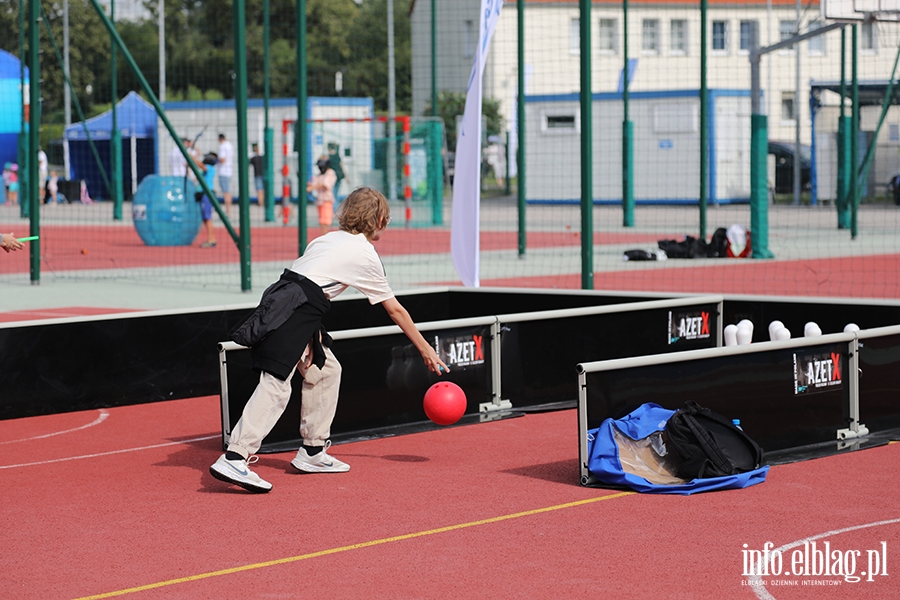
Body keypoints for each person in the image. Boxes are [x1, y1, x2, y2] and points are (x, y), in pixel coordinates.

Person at [209, 187, 449, 493]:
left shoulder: (326, 238)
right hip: (298, 309)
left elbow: (308, 283)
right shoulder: (365, 255)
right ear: (379, 219)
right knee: (276, 385)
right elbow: (396, 311)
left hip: (287, 300)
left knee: (325, 369)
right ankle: (235, 457)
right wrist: (426, 349)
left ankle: (312, 452)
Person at [306, 155, 337, 236]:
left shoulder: (331, 173)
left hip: (327, 199)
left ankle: (325, 236)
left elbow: (325, 184)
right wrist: (309, 185)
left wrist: (312, 187)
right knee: (321, 220)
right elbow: (313, 183)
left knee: (325, 221)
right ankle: (323, 235)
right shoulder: (319, 175)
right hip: (319, 199)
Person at [197, 152, 218, 248]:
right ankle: (211, 239)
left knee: (207, 218)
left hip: (207, 194)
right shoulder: (208, 169)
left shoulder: (209, 168)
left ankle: (211, 239)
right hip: (203, 194)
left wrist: (192, 158)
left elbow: (202, 166)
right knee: (205, 219)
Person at [217, 133, 234, 216]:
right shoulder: (230, 145)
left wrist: (214, 160)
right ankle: (228, 211)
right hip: (229, 171)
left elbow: (222, 159)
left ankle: (228, 212)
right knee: (228, 192)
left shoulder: (223, 146)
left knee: (226, 192)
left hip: (223, 171)